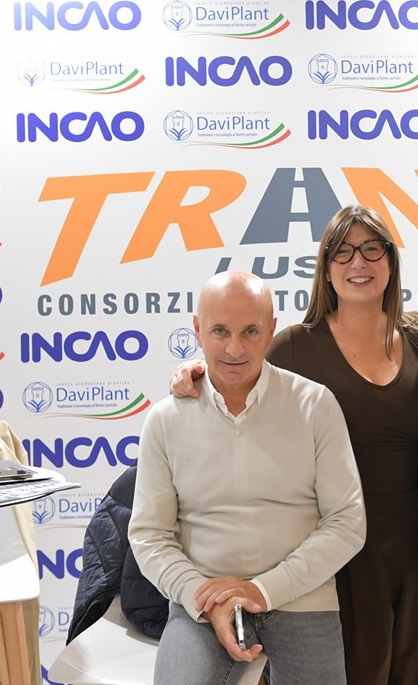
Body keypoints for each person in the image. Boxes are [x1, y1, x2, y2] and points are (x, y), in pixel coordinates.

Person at [173, 205, 418, 685]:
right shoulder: (294, 347)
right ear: (325, 267)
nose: (358, 262)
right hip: (338, 549)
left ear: (391, 260)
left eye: (371, 249)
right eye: (343, 252)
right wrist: (192, 372)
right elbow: (236, 378)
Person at [130, 270, 367, 685]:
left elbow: (347, 523)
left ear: (271, 330)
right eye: (220, 331)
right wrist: (204, 599)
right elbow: (150, 534)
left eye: (251, 331)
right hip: (202, 604)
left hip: (301, 598)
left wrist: (263, 589)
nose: (235, 348)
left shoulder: (315, 405)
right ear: (198, 330)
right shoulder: (166, 420)